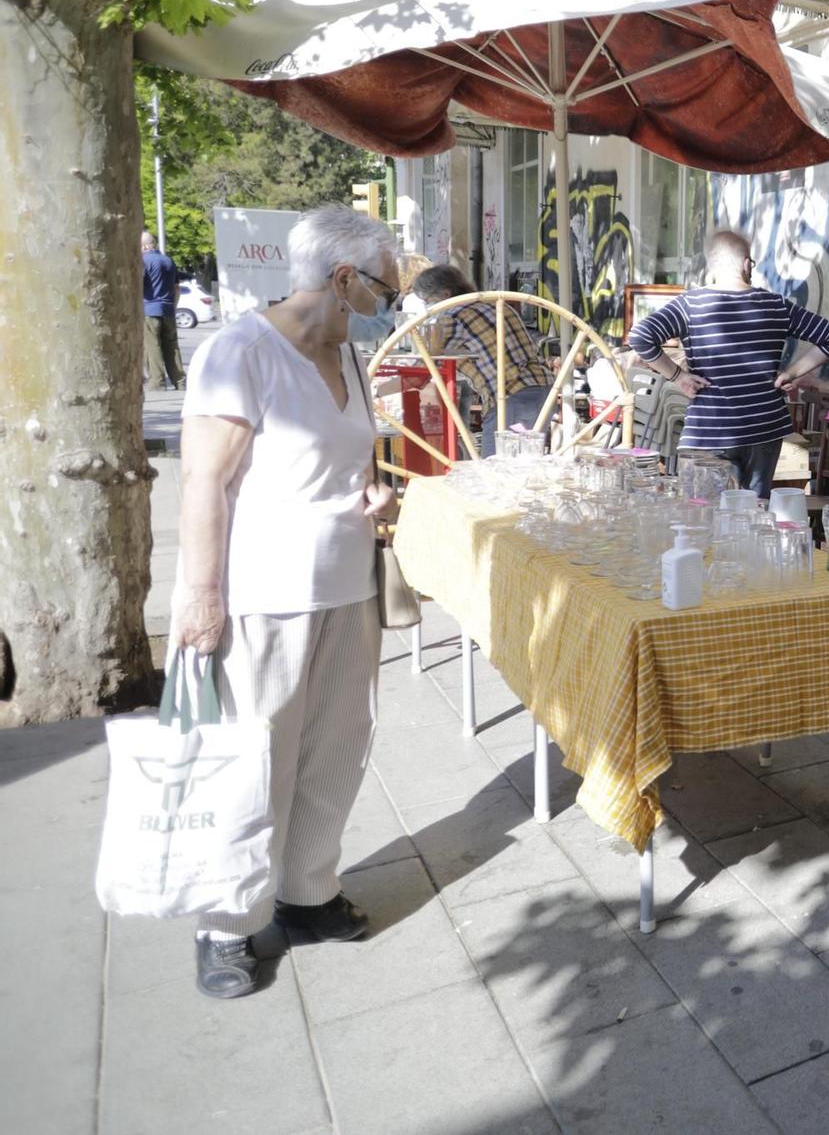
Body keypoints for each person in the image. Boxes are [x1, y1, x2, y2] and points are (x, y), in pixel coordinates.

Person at [172, 204, 397, 999]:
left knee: (335, 746)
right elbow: (205, 481)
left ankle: (307, 891)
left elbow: (337, 460)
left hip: (347, 589)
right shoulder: (241, 351)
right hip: (261, 597)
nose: (387, 308)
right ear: (343, 281)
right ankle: (225, 922)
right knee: (250, 765)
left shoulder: (349, 358)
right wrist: (201, 600)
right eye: (383, 292)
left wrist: (372, 492)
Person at [628, 230, 829, 497]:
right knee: (751, 516)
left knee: (702, 521)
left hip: (710, 430)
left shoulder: (690, 305)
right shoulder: (776, 305)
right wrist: (791, 373)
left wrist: (678, 377)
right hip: (765, 428)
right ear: (746, 264)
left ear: (713, 265)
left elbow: (640, 337)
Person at [408, 264, 554, 457]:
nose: (427, 306)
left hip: (510, 396)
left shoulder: (452, 316)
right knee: (523, 464)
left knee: (497, 469)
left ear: (444, 295)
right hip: (543, 389)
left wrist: (380, 389)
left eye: (428, 300)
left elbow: (423, 370)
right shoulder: (496, 306)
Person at [140, 230, 185, 390]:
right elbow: (177, 288)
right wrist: (173, 307)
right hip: (168, 309)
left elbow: (138, 286)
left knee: (153, 346)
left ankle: (157, 383)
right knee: (172, 346)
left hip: (149, 309)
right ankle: (180, 381)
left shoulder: (144, 261)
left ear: (144, 246)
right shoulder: (168, 261)